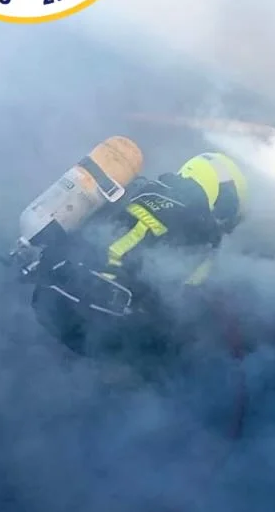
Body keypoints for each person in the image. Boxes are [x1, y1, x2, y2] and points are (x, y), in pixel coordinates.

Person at [29, 150, 248, 366]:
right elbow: (185, 296)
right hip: (103, 323)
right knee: (180, 344)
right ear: (222, 195)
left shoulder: (137, 187)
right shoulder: (205, 231)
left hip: (50, 293)